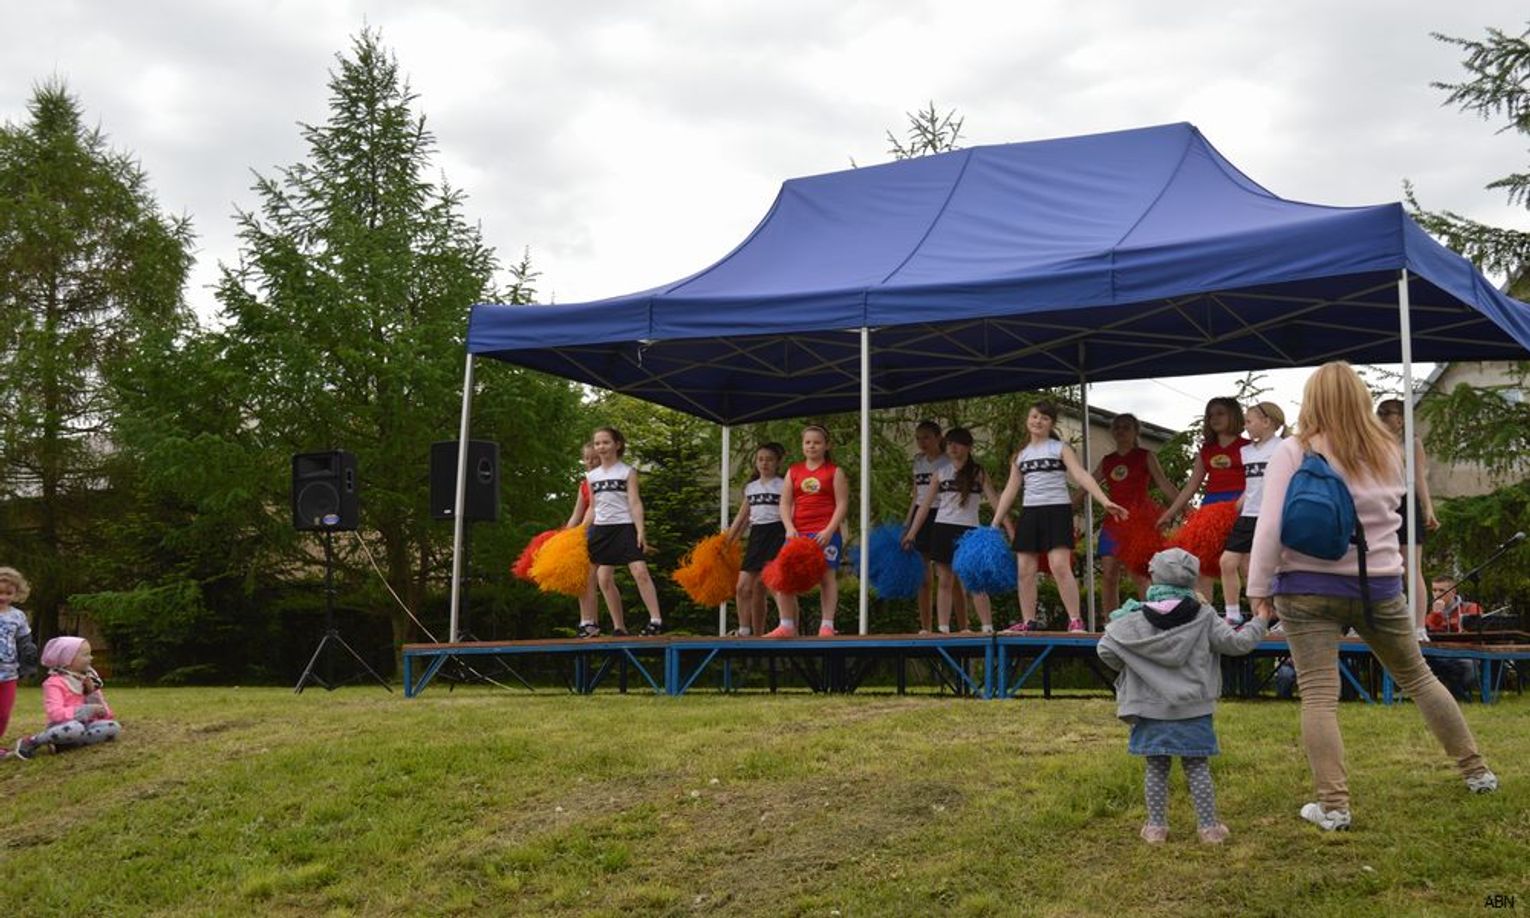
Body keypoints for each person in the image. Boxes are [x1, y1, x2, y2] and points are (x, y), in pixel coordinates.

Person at [1247, 361, 1496, 832]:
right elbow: (1394, 519)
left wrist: (1258, 588)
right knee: (1419, 678)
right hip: (1379, 585)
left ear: (1312, 399)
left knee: (1319, 694)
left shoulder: (1295, 450)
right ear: (1362, 399)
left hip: (1306, 587)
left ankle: (1334, 806)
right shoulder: (1387, 449)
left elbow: (1270, 525)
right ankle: (1476, 771)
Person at [1098, 548, 1271, 844]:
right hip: (1194, 708)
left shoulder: (1134, 618)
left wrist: (1137, 666)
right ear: (1192, 579)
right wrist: (1260, 620)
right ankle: (1209, 829)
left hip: (1149, 709)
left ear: (1154, 576)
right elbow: (1236, 644)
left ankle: (1156, 828)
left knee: (1156, 768)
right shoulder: (1204, 615)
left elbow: (1106, 649)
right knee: (1197, 767)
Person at [991, 402, 1128, 632]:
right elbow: (1010, 490)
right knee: (1024, 570)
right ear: (1028, 419)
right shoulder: (1020, 456)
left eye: (1044, 418)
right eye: (1034, 416)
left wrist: (1105, 501)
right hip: (1030, 512)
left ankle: (1075, 620)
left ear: (1052, 424)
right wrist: (995, 522)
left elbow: (1081, 475)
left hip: (1057, 511)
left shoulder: (1060, 448)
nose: (1038, 421)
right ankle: (1028, 621)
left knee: (1059, 566)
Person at [902, 428, 1004, 633]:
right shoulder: (940, 473)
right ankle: (943, 628)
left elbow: (995, 501)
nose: (953, 447)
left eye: (958, 443)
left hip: (970, 531)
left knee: (974, 579)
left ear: (968, 447)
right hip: (943, 527)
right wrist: (912, 532)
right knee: (944, 580)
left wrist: (1001, 526)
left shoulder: (978, 472)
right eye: (949, 444)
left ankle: (987, 627)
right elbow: (924, 505)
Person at [1080, 414, 1177, 614]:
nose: (1121, 431)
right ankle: (1110, 622)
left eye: (1126, 427)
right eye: (1117, 427)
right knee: (1109, 575)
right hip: (1113, 521)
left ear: (1136, 432)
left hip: (1139, 520)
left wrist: (1183, 505)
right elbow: (1087, 485)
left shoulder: (1145, 456)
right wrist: (1066, 505)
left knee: (1140, 574)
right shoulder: (1108, 461)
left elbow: (1163, 483)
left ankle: (1152, 617)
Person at [1159, 397, 1248, 599]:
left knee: (1244, 563)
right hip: (1210, 511)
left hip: (1240, 507)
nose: (1214, 418)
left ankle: (1252, 613)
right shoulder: (1206, 450)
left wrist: (1240, 504)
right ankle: (1204, 613)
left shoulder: (1249, 447)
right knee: (1203, 567)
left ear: (1234, 415)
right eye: (1210, 415)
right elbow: (1191, 486)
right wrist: (1170, 513)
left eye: (1220, 413)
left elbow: (1257, 482)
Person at [582, 427, 665, 637]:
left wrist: (640, 530)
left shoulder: (627, 472)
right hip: (601, 529)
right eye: (597, 443)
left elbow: (635, 502)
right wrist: (580, 532)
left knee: (640, 571)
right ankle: (589, 623)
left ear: (617, 445)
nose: (601, 447)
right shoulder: (591, 476)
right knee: (589, 575)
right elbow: (592, 507)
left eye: (606, 442)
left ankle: (655, 620)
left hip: (624, 526)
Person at [769, 425, 851, 637]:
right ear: (802, 445)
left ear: (826, 445)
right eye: (807, 442)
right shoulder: (794, 471)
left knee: (826, 577)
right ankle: (786, 624)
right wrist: (789, 528)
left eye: (817, 442)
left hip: (825, 533)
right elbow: (785, 503)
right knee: (784, 574)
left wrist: (829, 530)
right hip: (798, 534)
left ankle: (827, 625)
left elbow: (842, 504)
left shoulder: (834, 472)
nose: (812, 446)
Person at [1376, 398, 1440, 640]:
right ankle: (1377, 621)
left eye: (1387, 414)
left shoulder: (1412, 443)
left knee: (1411, 566)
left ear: (1401, 420)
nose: (1382, 419)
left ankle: (1419, 625)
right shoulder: (1374, 442)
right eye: (1380, 414)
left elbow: (1419, 477)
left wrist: (1428, 508)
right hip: (1380, 501)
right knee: (1378, 563)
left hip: (1405, 502)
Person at [1218, 402, 1286, 625]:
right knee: (1227, 562)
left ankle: (1279, 616)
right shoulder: (1246, 452)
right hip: (1249, 514)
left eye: (1249, 421)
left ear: (1266, 422)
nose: (1245, 426)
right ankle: (1232, 615)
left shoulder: (1283, 447)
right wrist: (1235, 507)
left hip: (1273, 514)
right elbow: (1252, 486)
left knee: (1275, 567)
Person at [14, 636, 120, 759]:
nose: (91, 658)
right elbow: (55, 714)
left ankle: (66, 744)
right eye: (85, 655)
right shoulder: (54, 683)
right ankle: (32, 741)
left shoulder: (86, 679)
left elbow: (106, 715)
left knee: (113, 727)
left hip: (85, 724)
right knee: (75, 729)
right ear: (67, 659)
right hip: (63, 727)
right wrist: (87, 710)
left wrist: (92, 692)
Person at [908, 421, 966, 633]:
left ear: (938, 437)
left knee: (951, 575)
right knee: (923, 577)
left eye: (926, 437)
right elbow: (916, 495)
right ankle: (926, 627)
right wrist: (908, 523)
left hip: (944, 515)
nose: (922, 442)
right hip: (921, 515)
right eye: (918, 438)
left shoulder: (947, 461)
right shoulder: (918, 461)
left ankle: (963, 625)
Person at [724, 443, 788, 636]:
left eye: (769, 460)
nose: (764, 463)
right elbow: (742, 517)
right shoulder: (751, 488)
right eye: (760, 459)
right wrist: (727, 540)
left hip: (778, 533)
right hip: (757, 535)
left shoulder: (784, 484)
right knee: (743, 586)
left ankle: (787, 625)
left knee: (775, 584)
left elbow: (790, 511)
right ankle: (744, 629)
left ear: (777, 462)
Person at [566, 442, 605, 638]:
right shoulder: (584, 485)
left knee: (602, 577)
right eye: (587, 458)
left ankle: (599, 623)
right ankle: (587, 621)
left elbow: (595, 510)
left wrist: (581, 529)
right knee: (585, 576)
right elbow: (577, 513)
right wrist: (565, 535)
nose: (590, 462)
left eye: (595, 458)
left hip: (605, 531)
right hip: (589, 532)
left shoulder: (605, 482)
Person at [0, 567, 39, 758]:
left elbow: (25, 643)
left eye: (8, 593)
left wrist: (28, 665)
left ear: (17, 593)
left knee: (3, 713)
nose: (3, 597)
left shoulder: (18, 616)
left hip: (9, 673)